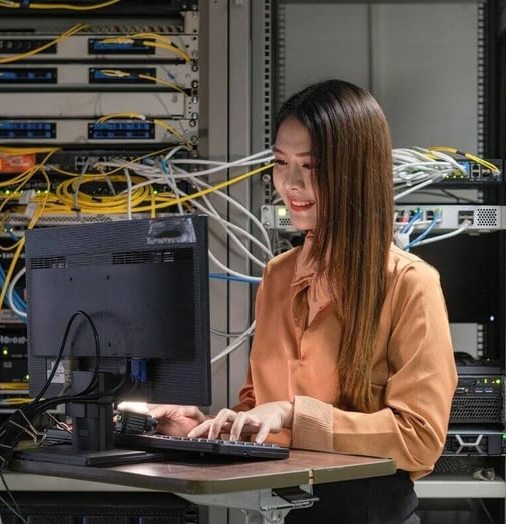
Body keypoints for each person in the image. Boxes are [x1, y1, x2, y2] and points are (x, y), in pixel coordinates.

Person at [149, 79, 457, 524]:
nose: (290, 183)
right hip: (283, 511)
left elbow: (420, 439)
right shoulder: (277, 276)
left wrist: (294, 412)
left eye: (311, 165)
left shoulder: (410, 283)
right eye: (280, 163)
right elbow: (260, 411)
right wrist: (203, 429)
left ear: (357, 171)